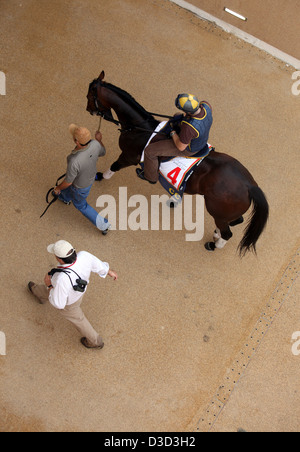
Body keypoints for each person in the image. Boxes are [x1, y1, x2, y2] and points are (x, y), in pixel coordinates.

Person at [27, 240, 118, 349]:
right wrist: (109, 271)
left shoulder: (61, 279)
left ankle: (95, 341)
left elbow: (59, 304)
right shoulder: (84, 255)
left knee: (79, 319)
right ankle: (37, 291)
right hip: (78, 293)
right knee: (54, 292)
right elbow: (98, 265)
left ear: (59, 259)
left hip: (69, 302)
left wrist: (49, 285)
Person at [137, 94, 213, 184]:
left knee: (150, 151)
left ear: (188, 112)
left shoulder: (189, 128)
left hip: (189, 149)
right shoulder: (206, 105)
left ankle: (151, 177)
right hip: (200, 136)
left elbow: (180, 147)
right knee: (176, 115)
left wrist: (173, 133)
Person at [53, 124, 111, 234]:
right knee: (71, 192)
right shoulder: (95, 144)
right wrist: (99, 140)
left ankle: (103, 225)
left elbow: (68, 182)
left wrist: (57, 188)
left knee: (81, 205)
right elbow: (103, 152)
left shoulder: (74, 160)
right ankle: (64, 197)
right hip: (90, 177)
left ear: (77, 142)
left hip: (79, 186)